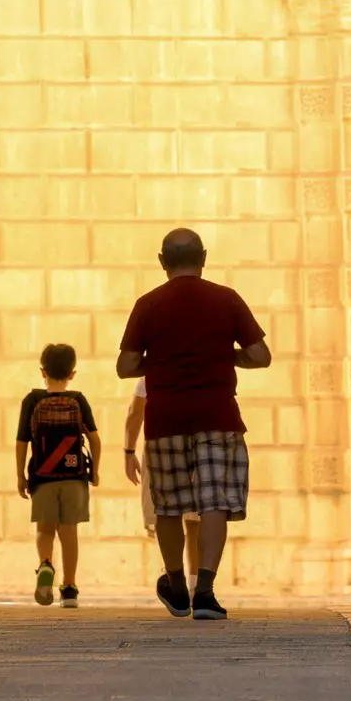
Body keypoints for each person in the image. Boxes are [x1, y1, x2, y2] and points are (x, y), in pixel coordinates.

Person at [116, 228, 272, 621]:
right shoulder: (227, 299)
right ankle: (205, 591)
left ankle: (174, 585)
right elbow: (260, 356)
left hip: (166, 417)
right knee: (215, 501)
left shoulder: (147, 304)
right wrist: (225, 356)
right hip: (218, 415)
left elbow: (126, 367)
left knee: (167, 504)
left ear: (161, 260)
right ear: (203, 257)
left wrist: (165, 359)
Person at [15, 343, 101, 608]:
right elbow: (95, 440)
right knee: (69, 532)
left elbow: (21, 441)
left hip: (42, 477)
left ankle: (45, 565)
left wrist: (20, 475)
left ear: (43, 371)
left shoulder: (33, 401)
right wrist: (94, 471)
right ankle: (70, 588)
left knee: (44, 529)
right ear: (72, 374)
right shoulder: (77, 399)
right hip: (73, 477)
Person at [123, 382, 201, 582]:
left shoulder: (155, 369)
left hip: (162, 444)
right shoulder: (201, 362)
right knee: (195, 520)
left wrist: (129, 451)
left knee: (166, 514)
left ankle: (174, 576)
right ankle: (194, 583)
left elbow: (135, 412)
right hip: (198, 443)